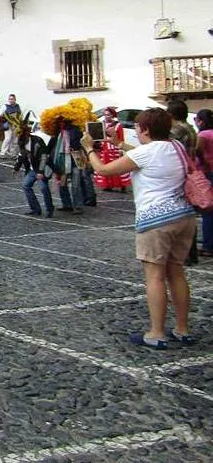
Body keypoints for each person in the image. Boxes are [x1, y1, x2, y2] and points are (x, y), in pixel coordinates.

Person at [82, 108, 196, 349]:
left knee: (154, 276)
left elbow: (103, 169)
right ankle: (183, 329)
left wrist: (89, 149)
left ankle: (156, 332)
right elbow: (144, 158)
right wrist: (120, 145)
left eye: (138, 127)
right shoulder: (175, 146)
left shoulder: (146, 152)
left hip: (156, 220)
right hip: (184, 216)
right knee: (176, 272)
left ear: (144, 129)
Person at [168, 101, 198, 265]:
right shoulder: (190, 128)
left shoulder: (177, 130)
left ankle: (185, 252)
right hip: (189, 172)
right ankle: (191, 253)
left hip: (180, 173)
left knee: (180, 214)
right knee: (188, 214)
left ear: (171, 115)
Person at [14, 121, 54, 218]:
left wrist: (40, 171)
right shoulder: (21, 141)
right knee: (26, 185)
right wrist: (16, 168)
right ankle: (35, 209)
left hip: (42, 168)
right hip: (33, 169)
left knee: (44, 188)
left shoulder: (37, 141)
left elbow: (44, 156)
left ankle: (49, 209)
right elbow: (21, 155)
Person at [94, 107, 131, 192]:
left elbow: (121, 138)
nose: (107, 116)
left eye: (109, 115)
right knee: (105, 167)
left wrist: (120, 149)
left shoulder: (118, 125)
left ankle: (122, 185)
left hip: (114, 149)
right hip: (104, 148)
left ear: (112, 115)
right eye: (105, 115)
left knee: (118, 167)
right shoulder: (101, 124)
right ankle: (108, 185)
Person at [195, 109, 213, 257]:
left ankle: (208, 245)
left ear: (201, 121)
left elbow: (197, 151)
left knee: (208, 210)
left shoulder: (203, 134)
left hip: (207, 172)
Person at [0, 94, 22, 158]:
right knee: (8, 138)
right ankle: (2, 153)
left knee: (15, 140)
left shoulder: (17, 106)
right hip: (8, 124)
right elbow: (0, 115)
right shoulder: (5, 106)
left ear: (15, 99)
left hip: (16, 125)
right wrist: (6, 118)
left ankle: (13, 154)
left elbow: (20, 115)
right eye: (10, 99)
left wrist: (19, 123)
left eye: (12, 99)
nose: (11, 100)